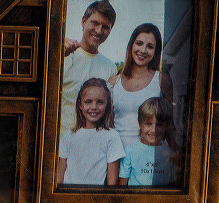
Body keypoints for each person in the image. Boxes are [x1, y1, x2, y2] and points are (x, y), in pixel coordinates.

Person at [108, 23, 174, 152]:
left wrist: (175, 153)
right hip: (118, 159)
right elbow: (108, 127)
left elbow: (169, 125)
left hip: (148, 161)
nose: (143, 50)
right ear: (131, 45)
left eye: (150, 47)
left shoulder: (161, 80)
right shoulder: (114, 82)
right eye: (139, 43)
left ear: (156, 52)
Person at [60, 1, 119, 144]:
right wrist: (56, 54)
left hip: (92, 148)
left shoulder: (110, 67)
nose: (99, 31)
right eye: (95, 23)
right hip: (61, 146)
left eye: (105, 27)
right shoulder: (64, 55)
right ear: (83, 21)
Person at [56, 78, 124, 186]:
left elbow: (112, 181)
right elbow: (60, 176)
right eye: (88, 102)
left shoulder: (111, 136)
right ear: (80, 104)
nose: (93, 107)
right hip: (68, 198)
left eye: (100, 102)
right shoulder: (68, 136)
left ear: (107, 104)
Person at [118, 98, 178, 187]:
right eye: (148, 124)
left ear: (166, 126)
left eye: (159, 125)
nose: (153, 130)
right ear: (140, 123)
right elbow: (122, 184)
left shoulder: (168, 153)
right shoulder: (130, 151)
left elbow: (172, 183)